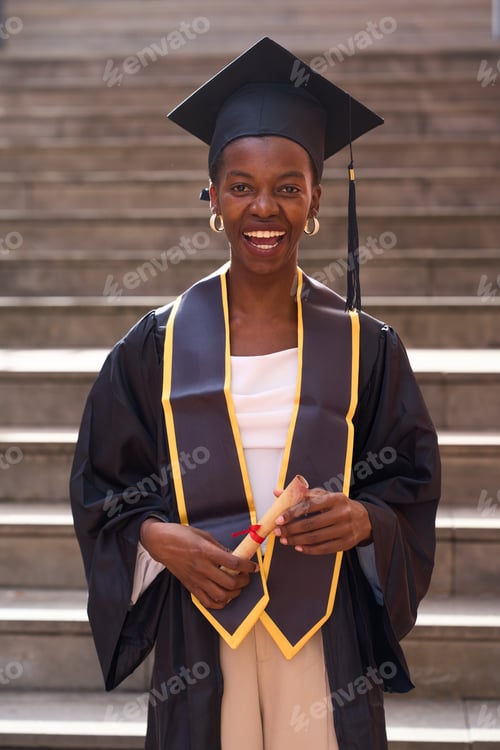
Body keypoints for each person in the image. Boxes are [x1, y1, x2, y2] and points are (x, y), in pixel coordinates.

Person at [70, 37, 441, 750]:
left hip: (325, 629)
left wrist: (366, 521)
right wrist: (154, 539)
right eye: (240, 185)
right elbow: (101, 488)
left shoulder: (368, 346)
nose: (263, 207)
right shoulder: (154, 347)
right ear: (212, 196)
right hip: (202, 628)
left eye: (287, 186)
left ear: (317, 199)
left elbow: (410, 484)